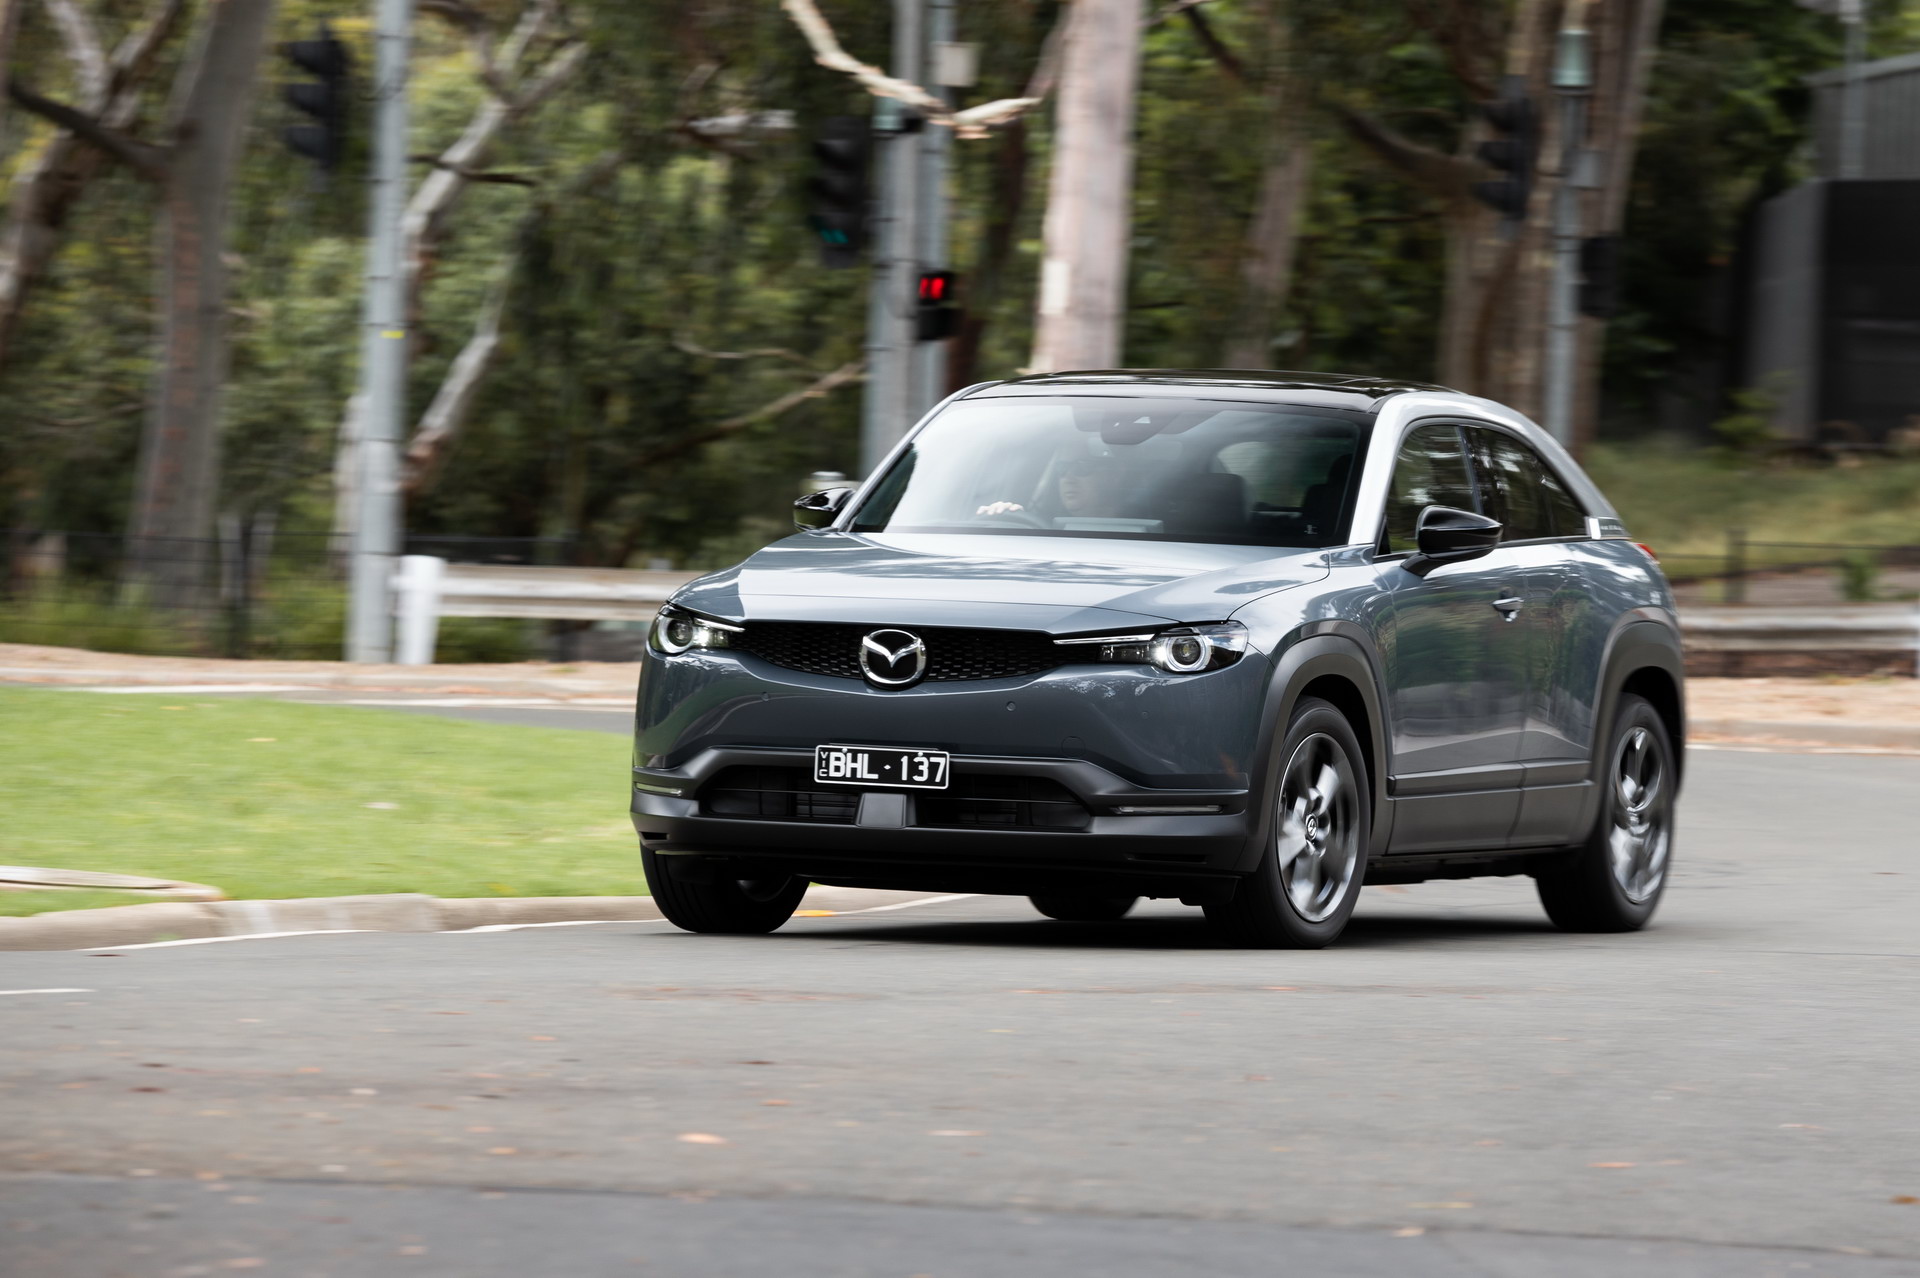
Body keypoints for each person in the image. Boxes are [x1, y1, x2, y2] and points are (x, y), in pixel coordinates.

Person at [977, 456, 1126, 520]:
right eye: (1062, 468)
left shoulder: (1149, 532)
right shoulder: (1040, 527)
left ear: (1112, 477)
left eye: (1082, 467)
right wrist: (1004, 516)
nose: (1068, 478)